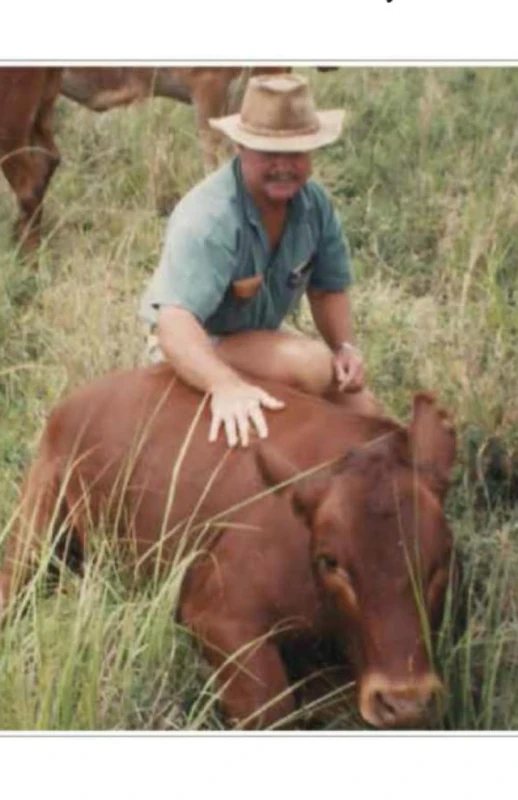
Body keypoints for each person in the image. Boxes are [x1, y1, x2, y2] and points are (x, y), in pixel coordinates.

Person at [139, 73, 379, 448]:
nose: (283, 166)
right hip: (196, 343)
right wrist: (225, 385)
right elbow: (174, 323)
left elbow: (328, 289)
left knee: (370, 416)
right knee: (311, 366)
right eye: (269, 153)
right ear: (240, 147)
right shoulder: (210, 216)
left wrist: (345, 347)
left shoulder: (314, 205)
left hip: (257, 341)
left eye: (296, 153)